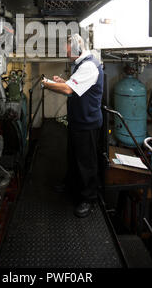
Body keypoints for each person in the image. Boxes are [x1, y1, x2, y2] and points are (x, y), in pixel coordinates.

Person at [41, 33, 104, 218]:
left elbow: (69, 90)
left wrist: (48, 84)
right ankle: (71, 184)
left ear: (77, 48)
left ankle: (89, 198)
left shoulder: (89, 66)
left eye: (69, 52)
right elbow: (73, 89)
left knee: (87, 162)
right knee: (74, 156)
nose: (67, 55)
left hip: (88, 123)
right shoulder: (81, 65)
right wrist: (63, 82)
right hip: (78, 120)